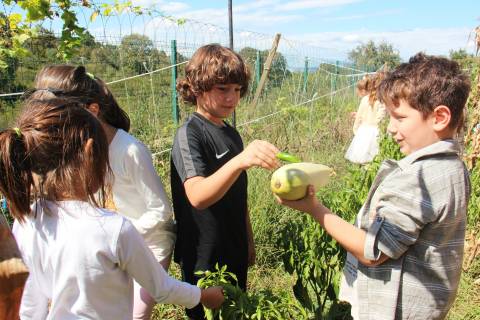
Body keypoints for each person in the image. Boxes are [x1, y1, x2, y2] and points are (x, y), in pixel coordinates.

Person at [276, 53, 471, 320]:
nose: (391, 128)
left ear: (439, 118)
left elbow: (372, 250)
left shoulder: (419, 179)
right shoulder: (454, 167)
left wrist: (315, 209)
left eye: (400, 117)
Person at [0, 98, 224, 319]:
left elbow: (30, 307)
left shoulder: (27, 221)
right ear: (90, 152)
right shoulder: (113, 229)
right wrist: (205, 295)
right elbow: (162, 288)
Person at [28, 65, 175, 319]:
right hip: (104, 246)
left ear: (92, 111)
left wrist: (114, 235)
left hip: (148, 245)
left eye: (63, 123)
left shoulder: (130, 151)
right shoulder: (76, 152)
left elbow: (160, 210)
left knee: (135, 315)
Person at [171, 44, 280, 319]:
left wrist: (248, 240)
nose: (232, 98)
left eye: (237, 90)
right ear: (197, 87)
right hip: (203, 257)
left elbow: (237, 195)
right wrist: (241, 160)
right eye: (222, 89)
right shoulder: (190, 134)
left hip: (234, 248)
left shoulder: (230, 133)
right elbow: (196, 195)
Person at [345, 73, 386, 164]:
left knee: (360, 157)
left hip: (363, 131)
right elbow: (380, 119)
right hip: (375, 132)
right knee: (374, 158)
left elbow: (359, 117)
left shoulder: (365, 99)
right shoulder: (382, 101)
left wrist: (356, 130)